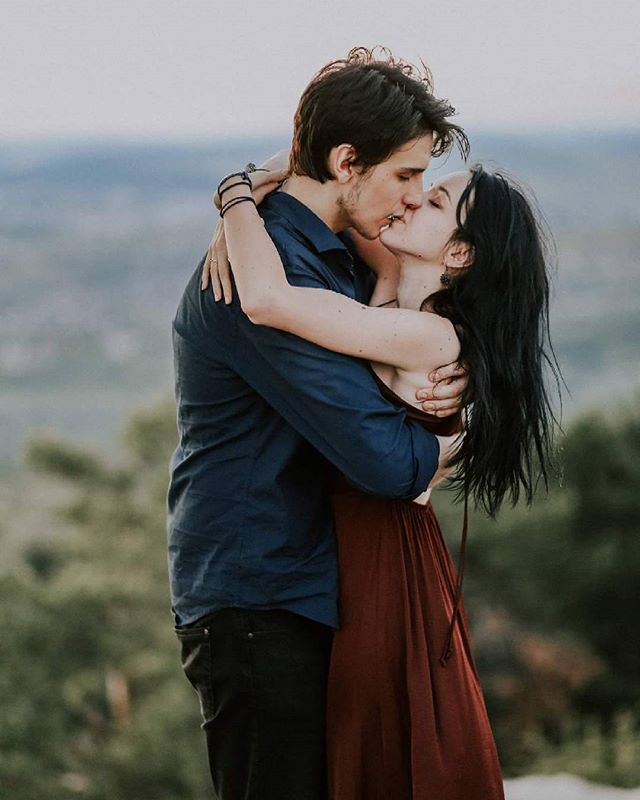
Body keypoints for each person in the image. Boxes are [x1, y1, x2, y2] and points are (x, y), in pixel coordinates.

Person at [203, 157, 558, 799]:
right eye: (418, 183)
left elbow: (267, 300)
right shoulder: (395, 279)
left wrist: (231, 197)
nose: (414, 198)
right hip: (358, 543)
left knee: (380, 744)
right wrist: (266, 187)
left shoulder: (429, 336)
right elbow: (343, 183)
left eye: (437, 199)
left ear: (458, 253)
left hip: (381, 557)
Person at [168, 47, 469, 800]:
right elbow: (389, 464)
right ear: (345, 162)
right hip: (256, 597)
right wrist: (450, 432)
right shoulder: (267, 271)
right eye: (404, 175)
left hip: (304, 584)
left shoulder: (323, 252)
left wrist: (239, 185)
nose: (411, 198)